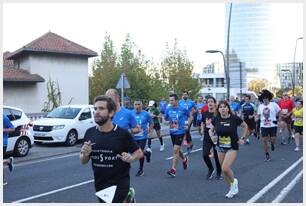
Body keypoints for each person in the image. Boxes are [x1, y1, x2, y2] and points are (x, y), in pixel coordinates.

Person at [80, 95, 143, 203]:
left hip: (120, 183)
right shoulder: (90, 133)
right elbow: (83, 161)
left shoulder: (122, 134)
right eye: (95, 109)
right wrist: (85, 154)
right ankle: (129, 198)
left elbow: (139, 153)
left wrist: (131, 158)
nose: (97, 112)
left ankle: (127, 196)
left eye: (101, 108)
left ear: (111, 113)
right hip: (100, 184)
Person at [208, 100, 248, 198]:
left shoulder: (234, 118)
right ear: (218, 109)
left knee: (225, 168)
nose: (223, 109)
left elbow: (246, 126)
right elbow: (210, 130)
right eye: (221, 107)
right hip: (220, 147)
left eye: (225, 107)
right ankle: (232, 188)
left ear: (228, 108)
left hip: (232, 147)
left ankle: (234, 182)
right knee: (224, 170)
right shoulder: (216, 119)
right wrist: (212, 136)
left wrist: (243, 138)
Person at [164, 93, 192, 177]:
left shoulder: (182, 109)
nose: (171, 102)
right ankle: (184, 158)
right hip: (172, 132)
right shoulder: (168, 109)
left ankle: (173, 169)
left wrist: (187, 124)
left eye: (172, 100)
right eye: (170, 100)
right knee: (177, 150)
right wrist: (167, 122)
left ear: (176, 100)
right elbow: (165, 119)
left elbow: (190, 116)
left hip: (180, 132)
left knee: (175, 149)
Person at [201, 96, 222, 180]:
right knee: (205, 154)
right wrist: (202, 129)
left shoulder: (218, 114)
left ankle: (219, 172)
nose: (209, 103)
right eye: (208, 102)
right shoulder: (205, 113)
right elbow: (203, 122)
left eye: (211, 102)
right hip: (207, 136)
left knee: (217, 156)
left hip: (216, 136)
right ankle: (211, 168)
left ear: (215, 103)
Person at [256, 89, 281, 161]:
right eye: (263, 99)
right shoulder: (260, 106)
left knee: (273, 139)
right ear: (262, 99)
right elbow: (258, 115)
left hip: (273, 125)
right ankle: (267, 154)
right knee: (264, 140)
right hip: (263, 125)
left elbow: (279, 112)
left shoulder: (274, 105)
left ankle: (272, 144)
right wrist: (256, 118)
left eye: (266, 99)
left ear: (269, 98)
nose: (265, 100)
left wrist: (279, 119)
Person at [132, 99, 153, 176]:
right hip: (133, 137)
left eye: (138, 104)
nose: (137, 106)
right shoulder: (131, 114)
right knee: (134, 152)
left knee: (140, 153)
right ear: (134, 105)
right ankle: (147, 153)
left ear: (141, 105)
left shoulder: (146, 114)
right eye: (135, 104)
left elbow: (151, 123)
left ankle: (141, 169)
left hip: (142, 137)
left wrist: (149, 130)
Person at [3, 114, 15, 186]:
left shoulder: (4, 118)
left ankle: (3, 180)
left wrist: (3, 130)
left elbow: (12, 128)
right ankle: (8, 161)